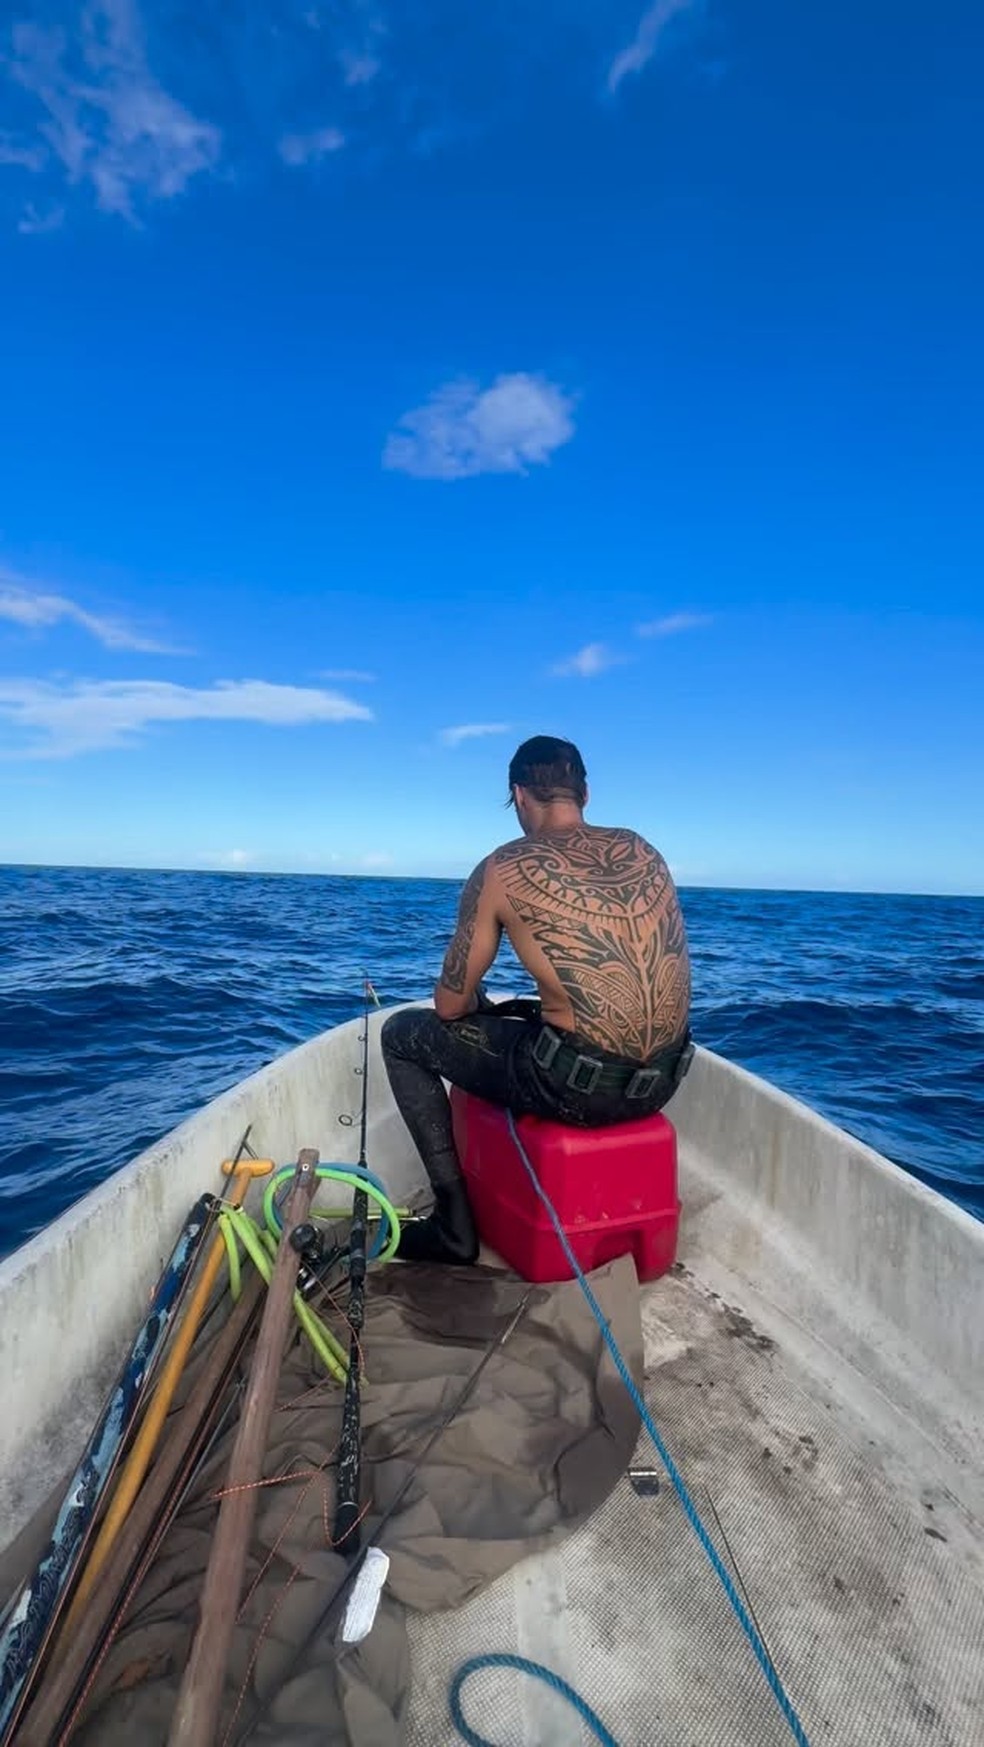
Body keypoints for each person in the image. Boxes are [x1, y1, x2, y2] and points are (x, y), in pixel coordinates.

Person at [381, 735, 694, 1264]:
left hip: (576, 1090)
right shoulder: (645, 850)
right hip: (664, 1081)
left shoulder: (500, 868)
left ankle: (453, 1229)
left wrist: (472, 999)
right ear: (585, 795)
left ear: (519, 796)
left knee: (401, 1036)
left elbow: (450, 1007)